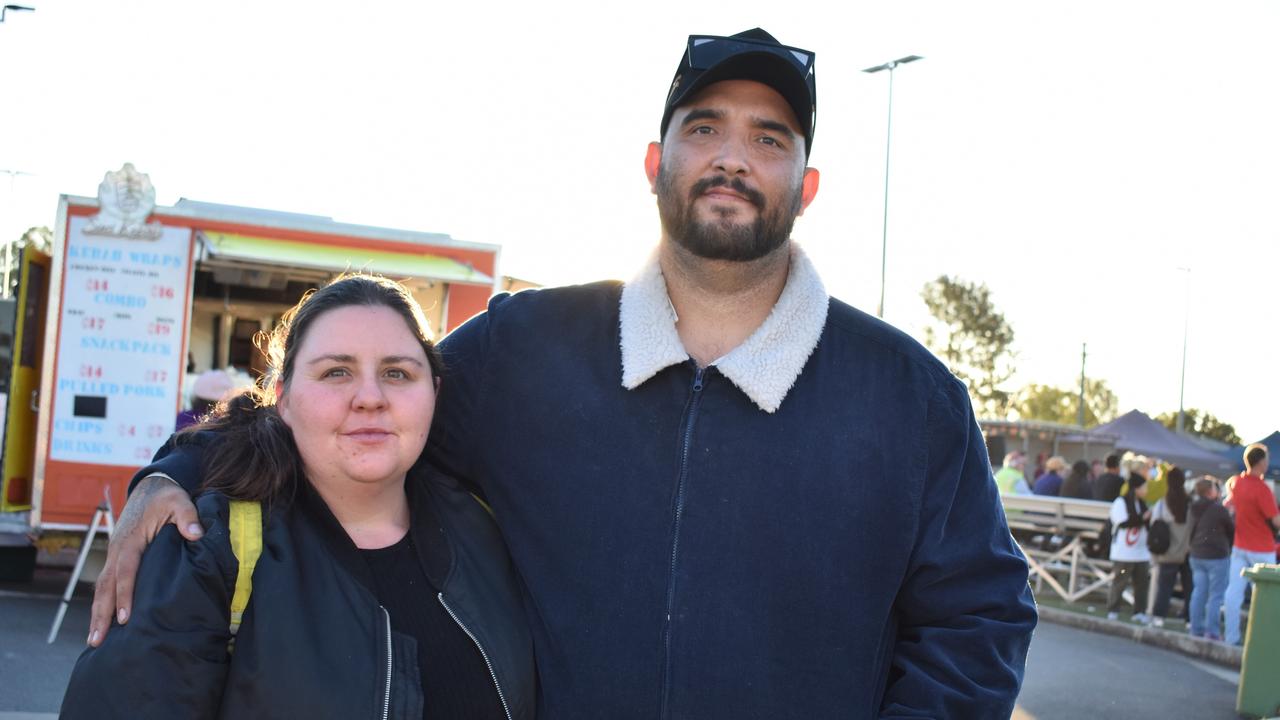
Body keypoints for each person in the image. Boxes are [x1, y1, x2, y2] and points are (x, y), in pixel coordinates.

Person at [87, 29, 1037, 718]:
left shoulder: (908, 398)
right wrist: (176, 472)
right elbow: (350, 418)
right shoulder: (529, 347)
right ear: (657, 163)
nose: (733, 159)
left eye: (770, 139)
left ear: (806, 187)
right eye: (706, 129)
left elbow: (979, 618)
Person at [62, 275, 534, 719]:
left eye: (396, 373)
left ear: (433, 392)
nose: (370, 397)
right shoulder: (211, 550)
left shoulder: (491, 531)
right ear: (283, 399)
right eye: (335, 372)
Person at [1222, 443, 1280, 645]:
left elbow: (1227, 505)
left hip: (1240, 546)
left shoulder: (1236, 483)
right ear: (1261, 462)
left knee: (1233, 594)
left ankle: (1231, 637)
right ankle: (1263, 640)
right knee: (1267, 597)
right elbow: (1276, 521)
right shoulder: (1262, 489)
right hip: (1262, 550)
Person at [1107, 454, 1152, 622]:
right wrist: (1143, 518)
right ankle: (1113, 609)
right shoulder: (1121, 502)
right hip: (1123, 550)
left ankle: (1139, 611)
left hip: (1141, 550)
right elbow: (1123, 523)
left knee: (1141, 583)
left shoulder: (1142, 503)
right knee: (1119, 581)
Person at [1188, 476, 1234, 640]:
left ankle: (1195, 628)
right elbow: (1231, 530)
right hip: (1216, 555)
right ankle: (1212, 631)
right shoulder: (1219, 509)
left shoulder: (1193, 507)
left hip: (1196, 554)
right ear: (1210, 491)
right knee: (1215, 596)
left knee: (1198, 592)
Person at [1147, 467, 1192, 627]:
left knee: (1164, 586)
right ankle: (1189, 619)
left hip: (1167, 551)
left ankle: (1159, 616)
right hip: (1187, 550)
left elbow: (1155, 524)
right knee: (1190, 587)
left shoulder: (1162, 503)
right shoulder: (1189, 503)